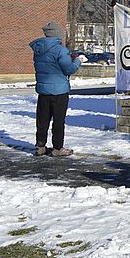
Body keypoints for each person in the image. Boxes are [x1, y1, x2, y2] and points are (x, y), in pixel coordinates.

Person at [30, 21, 83, 157]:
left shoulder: (38, 49)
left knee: (42, 120)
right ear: (58, 35)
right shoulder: (61, 50)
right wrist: (78, 61)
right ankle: (57, 148)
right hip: (59, 91)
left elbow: (48, 64)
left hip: (43, 90)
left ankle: (40, 146)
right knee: (58, 121)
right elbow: (68, 69)